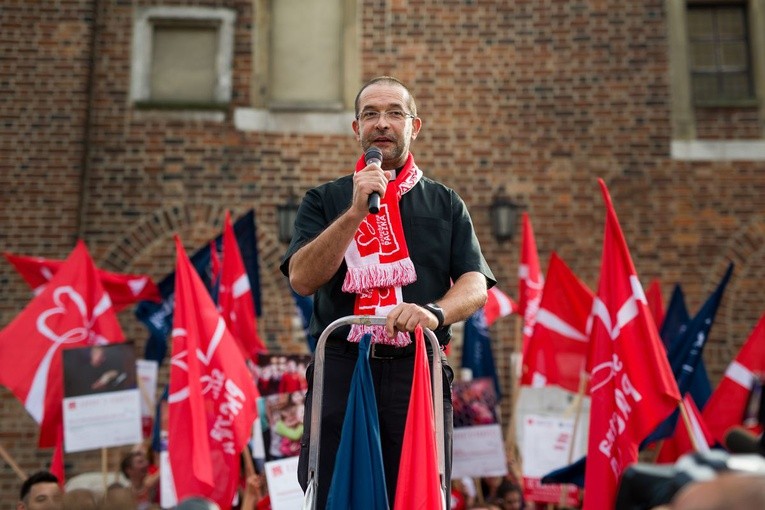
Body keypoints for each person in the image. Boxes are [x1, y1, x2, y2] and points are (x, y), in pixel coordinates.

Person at [281, 75, 496, 509]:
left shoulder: (445, 202)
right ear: (356, 128)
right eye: (371, 114)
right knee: (335, 492)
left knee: (415, 493)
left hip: (418, 367)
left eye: (395, 113)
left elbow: (475, 283)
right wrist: (356, 214)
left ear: (414, 126)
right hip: (342, 367)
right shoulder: (325, 199)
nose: (382, 123)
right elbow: (302, 278)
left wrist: (434, 313)